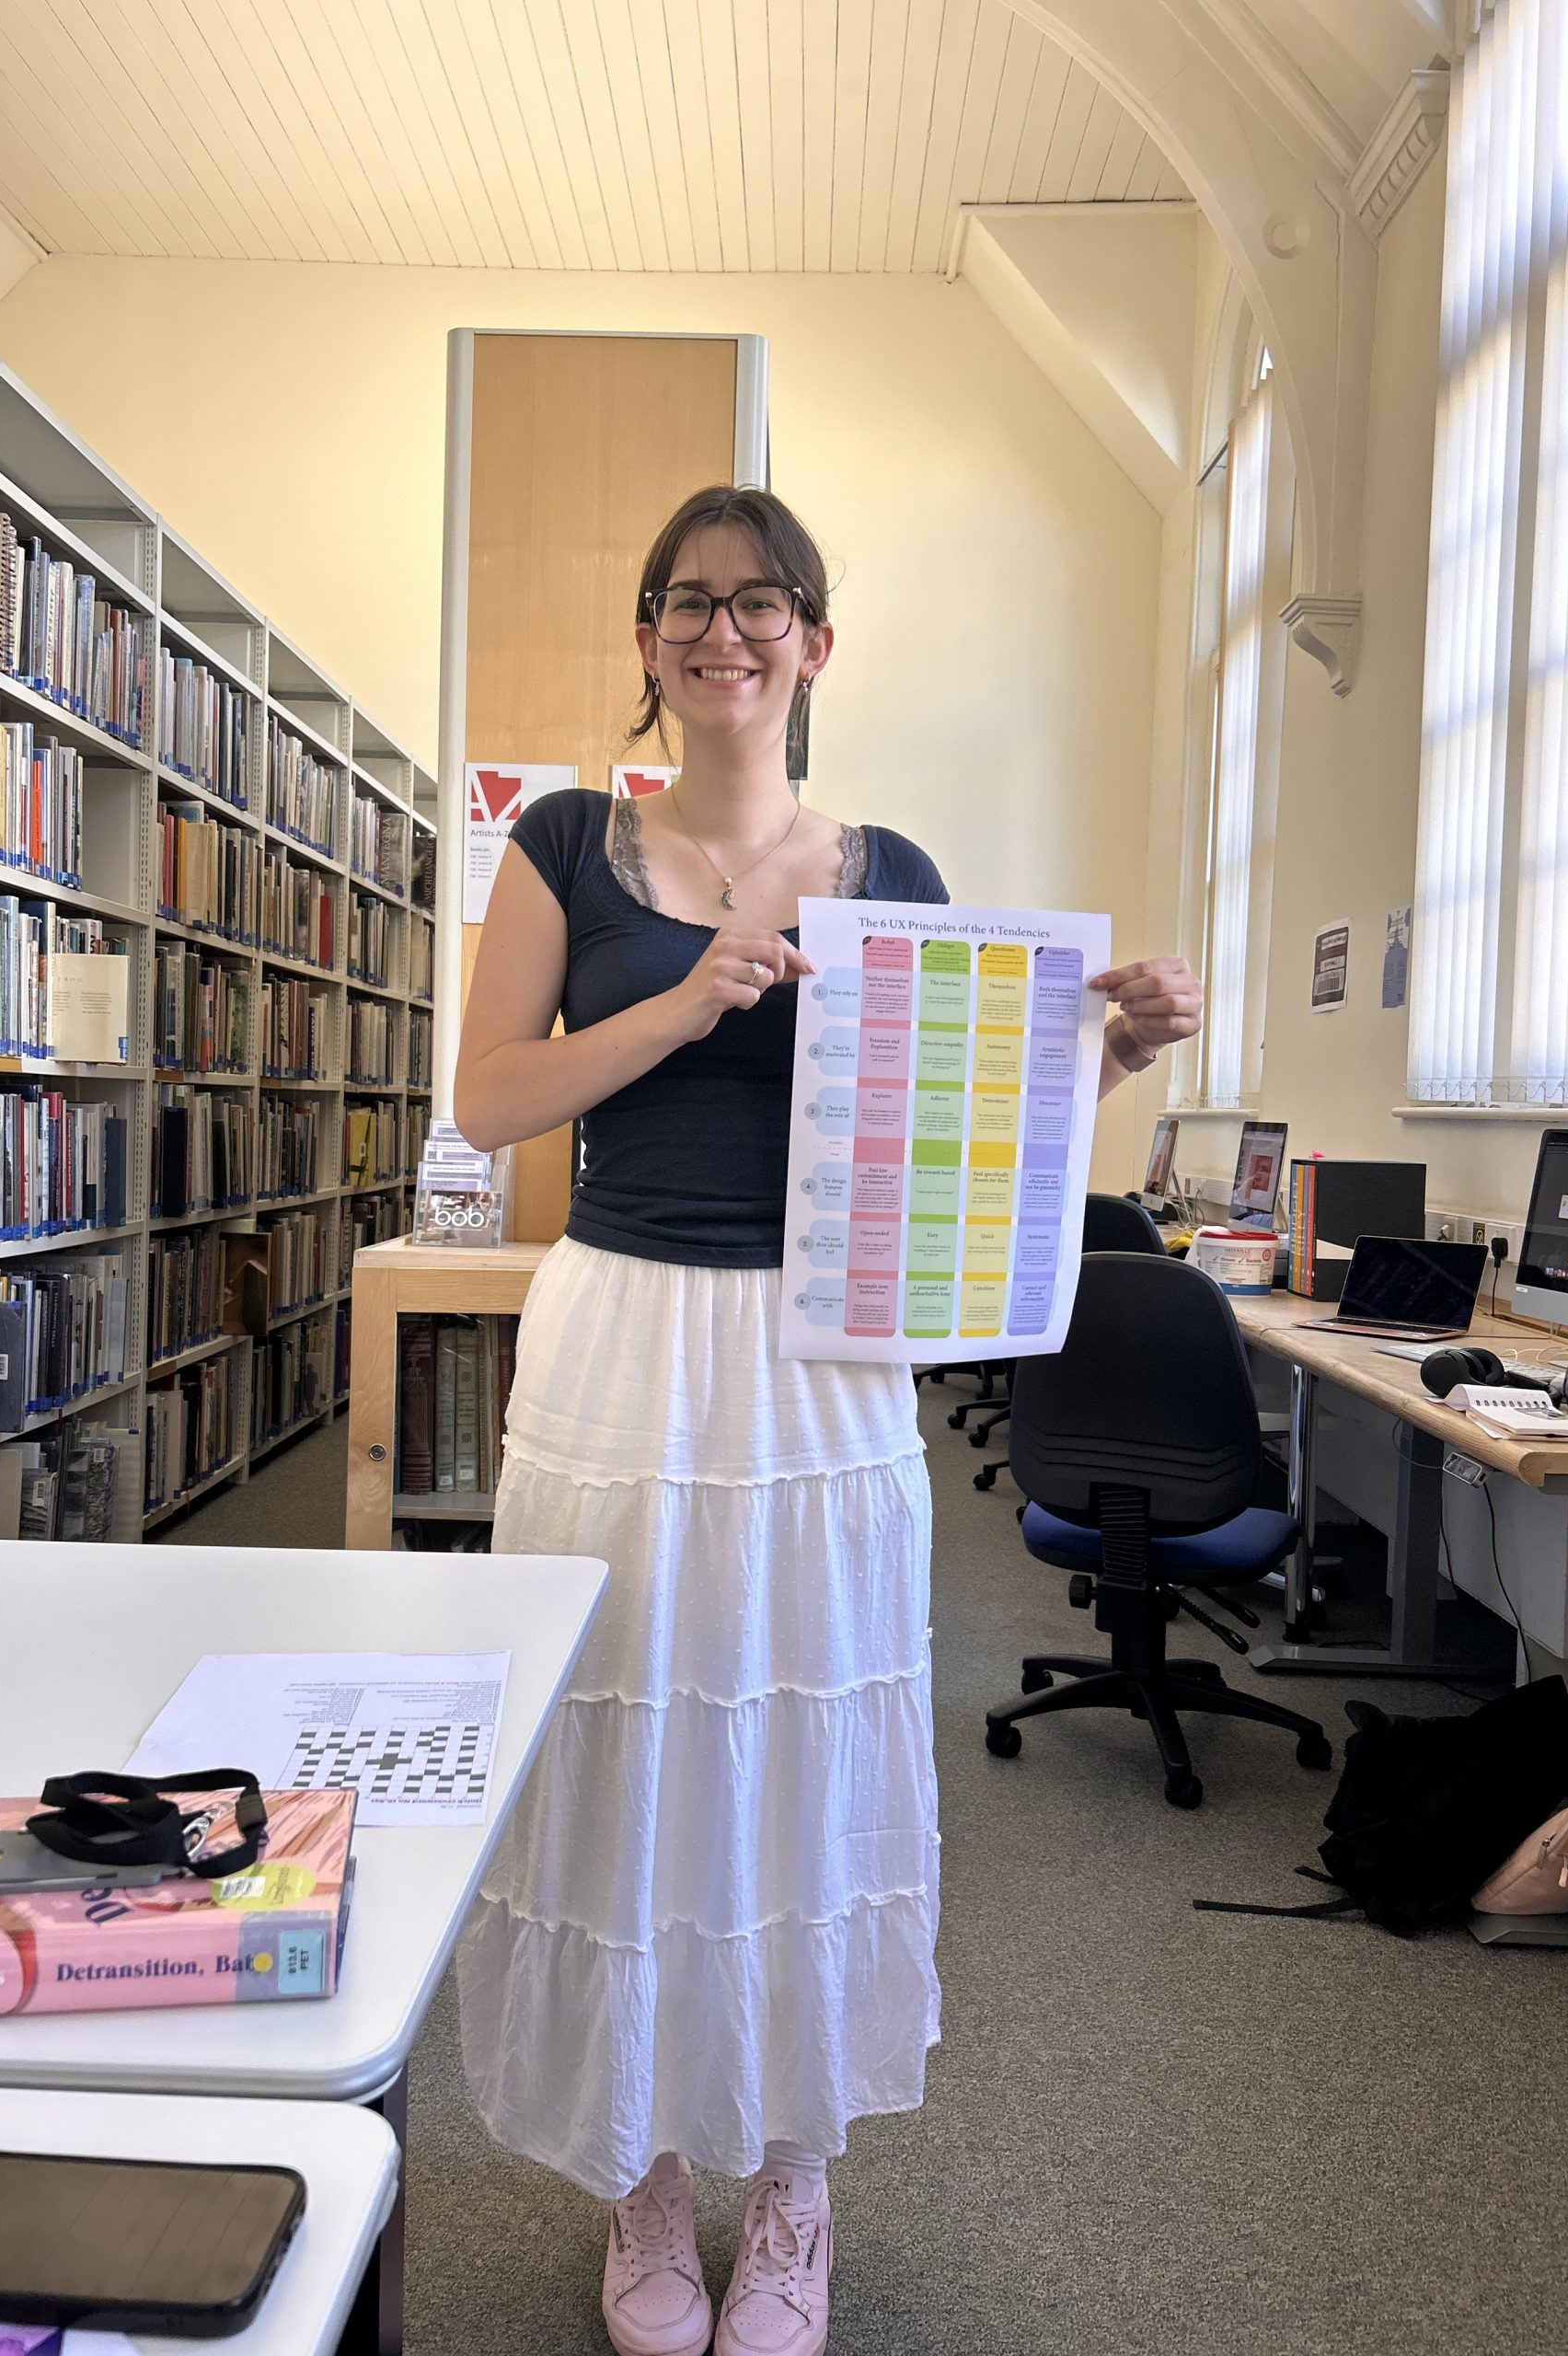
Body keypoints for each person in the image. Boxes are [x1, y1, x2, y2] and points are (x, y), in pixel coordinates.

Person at [453, 484, 1203, 2356]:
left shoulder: (897, 873)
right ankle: (644, 2172)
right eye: (689, 602)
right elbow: (486, 1100)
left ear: (815, 640)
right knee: (625, 1750)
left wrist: (1110, 1051)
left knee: (808, 1746)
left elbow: (982, 1143)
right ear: (647, 639)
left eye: (763, 600)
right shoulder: (561, 842)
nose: (725, 631)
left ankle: (790, 2181)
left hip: (825, 1352)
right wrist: (689, 1003)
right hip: (624, 1339)